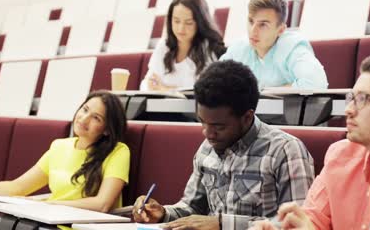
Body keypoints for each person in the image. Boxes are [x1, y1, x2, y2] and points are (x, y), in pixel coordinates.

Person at [249, 55, 370, 230]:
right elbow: (313, 221)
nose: (349, 110)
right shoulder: (341, 156)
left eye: (363, 99)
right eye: (351, 98)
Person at [133, 60, 315, 229]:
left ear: (247, 117)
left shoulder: (285, 150)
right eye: (202, 122)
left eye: (218, 126)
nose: (207, 133)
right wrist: (164, 213)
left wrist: (223, 224)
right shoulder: (207, 149)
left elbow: (297, 222)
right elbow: (192, 208)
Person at [0, 90, 130, 213]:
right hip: (49, 220)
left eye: (96, 118)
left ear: (107, 130)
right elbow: (18, 187)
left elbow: (103, 204)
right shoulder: (59, 146)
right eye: (85, 109)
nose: (84, 118)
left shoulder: (118, 151)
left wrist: (48, 204)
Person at [220, 0, 328, 90]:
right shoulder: (238, 48)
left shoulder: (293, 47)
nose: (253, 31)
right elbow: (214, 81)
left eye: (263, 25)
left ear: (281, 30)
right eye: (251, 21)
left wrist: (262, 93)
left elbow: (317, 84)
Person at [140, 0, 226, 91]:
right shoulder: (164, 45)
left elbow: (204, 92)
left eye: (188, 23)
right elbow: (146, 84)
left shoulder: (209, 49)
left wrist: (164, 89)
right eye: (176, 21)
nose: (181, 29)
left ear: (200, 22)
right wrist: (160, 88)